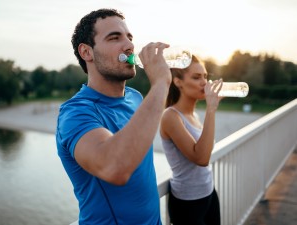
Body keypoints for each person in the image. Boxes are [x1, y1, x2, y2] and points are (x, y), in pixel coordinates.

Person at [56, 8, 172, 225]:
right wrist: (160, 83)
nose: (129, 45)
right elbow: (114, 167)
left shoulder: (136, 98)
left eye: (129, 37)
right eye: (114, 37)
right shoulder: (75, 113)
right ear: (86, 52)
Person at [160, 55, 222, 225]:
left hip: (208, 193)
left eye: (205, 76)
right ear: (178, 82)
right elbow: (201, 158)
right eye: (196, 77)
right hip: (187, 202)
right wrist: (211, 109)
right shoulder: (170, 116)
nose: (204, 83)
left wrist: (210, 110)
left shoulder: (193, 115)